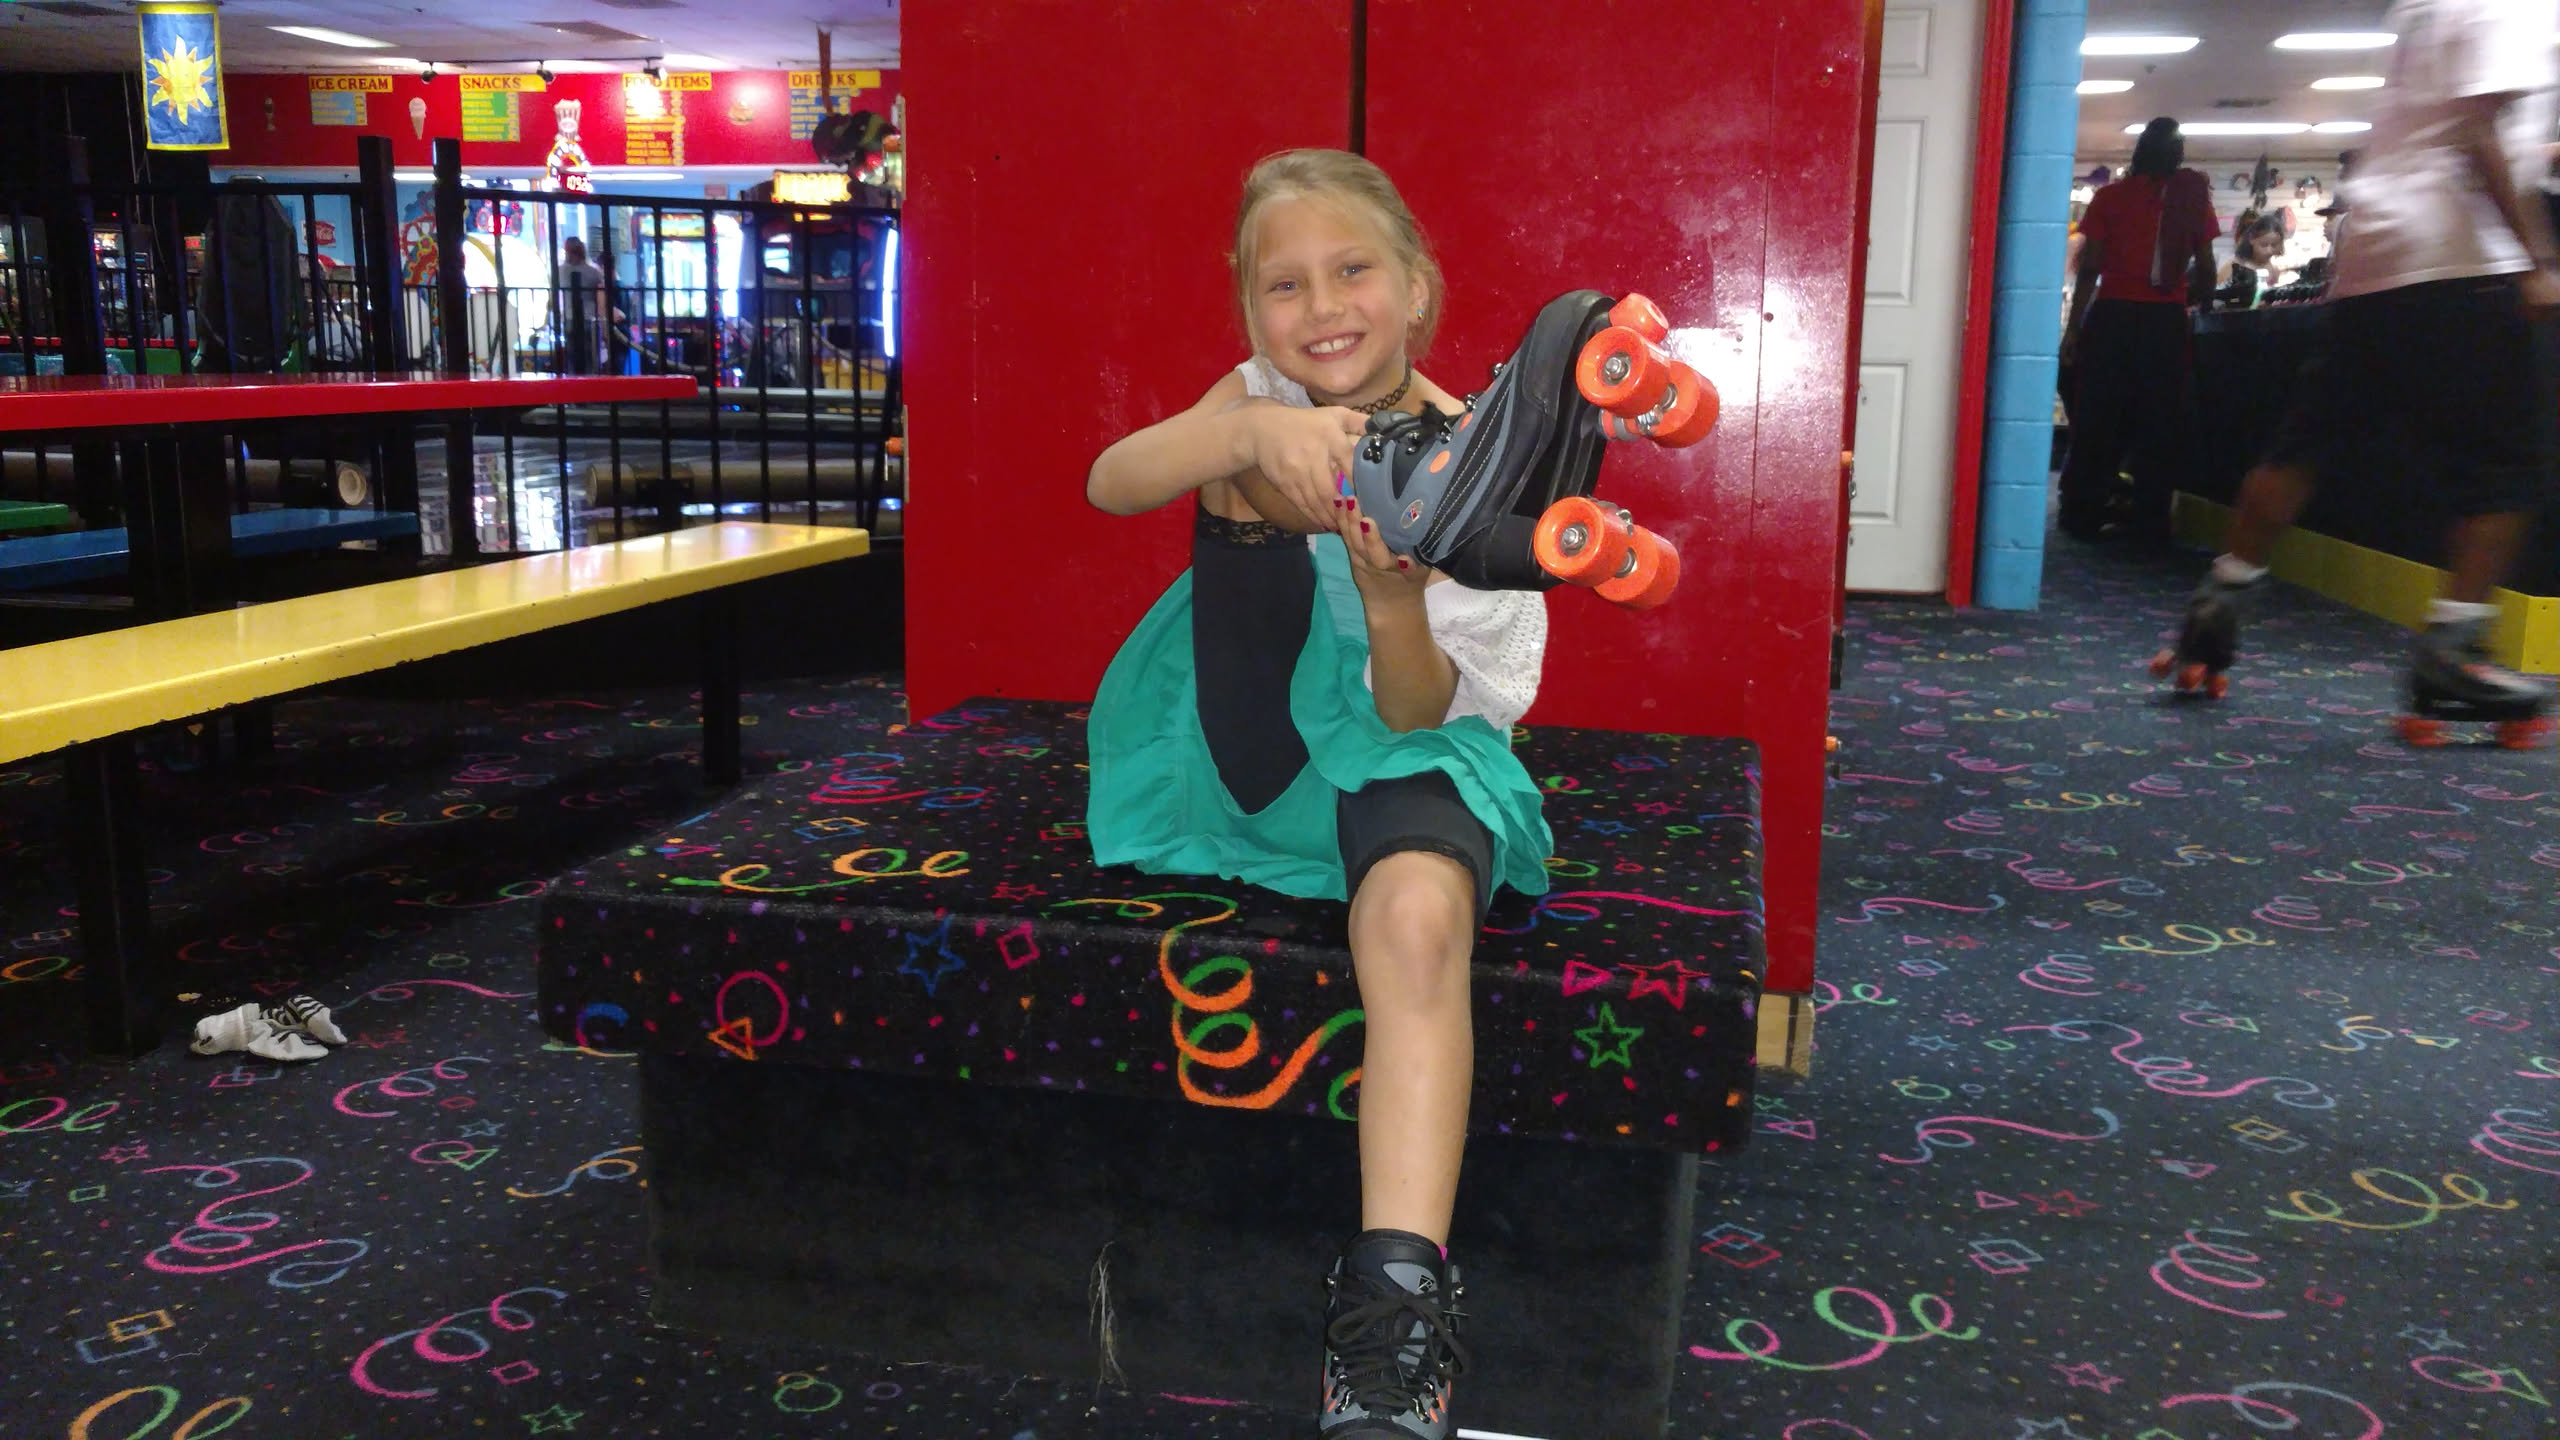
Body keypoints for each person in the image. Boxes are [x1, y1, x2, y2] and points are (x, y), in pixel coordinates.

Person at [1083, 148, 1552, 1438]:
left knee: (1414, 916)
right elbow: (1110, 480)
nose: (1321, 305)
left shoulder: (1481, 464)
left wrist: (1395, 599)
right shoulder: (1258, 394)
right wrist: (1248, 429)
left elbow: (1413, 717)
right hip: (1252, 743)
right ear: (1250, 310)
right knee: (1222, 465)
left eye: (1351, 270)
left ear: (1416, 287)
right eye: (1281, 284)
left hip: (1404, 738)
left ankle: (1395, 1316)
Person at [2159, 0, 2557, 747]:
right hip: (2459, 264)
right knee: (2508, 474)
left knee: (2302, 447)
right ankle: (2452, 653)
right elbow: (2477, 127)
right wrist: (2540, 260)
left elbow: (2445, 123)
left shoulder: (2427, 8)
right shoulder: (2512, 6)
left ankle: (2216, 607)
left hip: (2375, 258)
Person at [2058, 117, 2223, 543]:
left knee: (2098, 417)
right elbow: (2206, 267)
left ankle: (2082, 513)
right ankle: (2150, 522)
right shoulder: (2192, 200)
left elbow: (2091, 267)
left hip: (2113, 315)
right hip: (2164, 322)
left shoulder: (2110, 198)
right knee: (2159, 422)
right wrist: (2195, 303)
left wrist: (2074, 329)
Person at [553, 236, 609, 373]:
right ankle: (590, 383)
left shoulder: (559, 271)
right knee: (591, 360)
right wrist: (604, 325)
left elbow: (553, 297)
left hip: (569, 319)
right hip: (590, 320)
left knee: (572, 359)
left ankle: (573, 382)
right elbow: (601, 301)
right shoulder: (594, 272)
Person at [2219, 213, 2288, 305]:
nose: (2269, 250)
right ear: (2251, 239)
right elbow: (2218, 297)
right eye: (2264, 245)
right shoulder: (2234, 266)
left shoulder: (2273, 270)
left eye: (2274, 245)